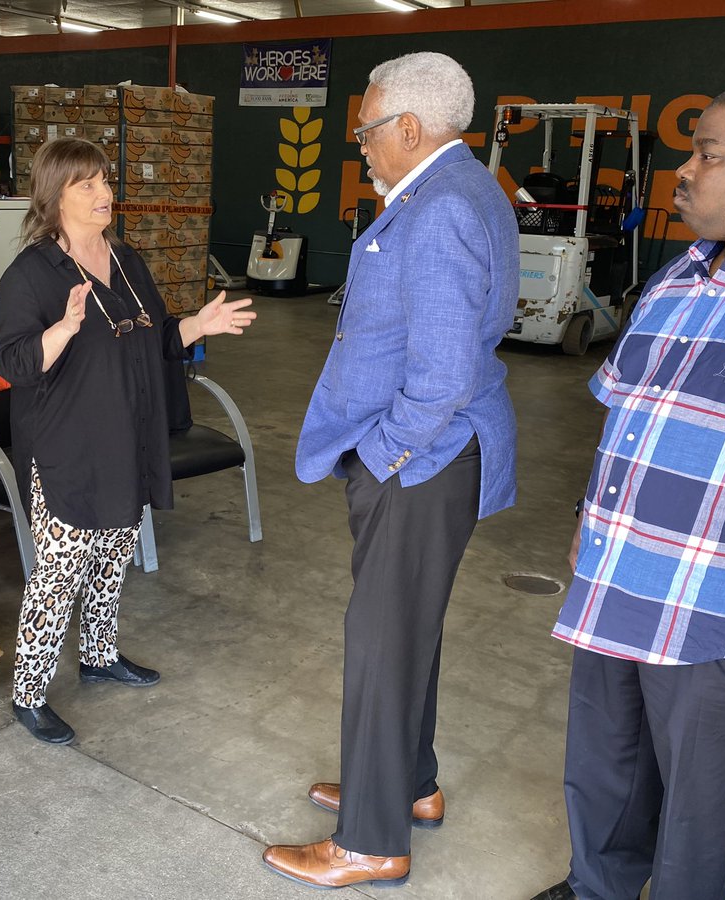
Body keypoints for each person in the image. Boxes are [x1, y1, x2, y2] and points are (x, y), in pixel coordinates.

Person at [530, 77, 725, 900]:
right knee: (605, 772)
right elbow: (627, 413)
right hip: (617, 575)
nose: (684, 173)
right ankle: (598, 886)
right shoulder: (681, 275)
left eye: (707, 155)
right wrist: (587, 522)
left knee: (706, 806)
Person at [262, 51, 519, 889]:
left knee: (378, 640)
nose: (362, 147)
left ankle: (370, 838)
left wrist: (381, 456)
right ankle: (407, 785)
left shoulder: (439, 206)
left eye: (367, 131)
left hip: (421, 460)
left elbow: (441, 376)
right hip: (437, 455)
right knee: (406, 630)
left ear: (409, 127)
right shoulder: (468, 187)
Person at [0, 138, 255, 745]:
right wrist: (61, 330)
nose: (105, 193)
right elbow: (14, 364)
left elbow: (156, 336)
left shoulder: (127, 261)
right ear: (55, 194)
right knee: (58, 574)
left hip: (127, 437)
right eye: (87, 184)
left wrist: (197, 326)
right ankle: (29, 693)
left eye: (105, 180)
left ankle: (99, 655)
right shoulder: (31, 274)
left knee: (112, 558)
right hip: (68, 448)